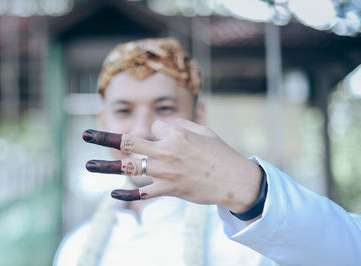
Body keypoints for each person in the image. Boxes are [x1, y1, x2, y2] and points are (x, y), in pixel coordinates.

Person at [54, 38, 361, 266]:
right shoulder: (75, 249)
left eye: (164, 108)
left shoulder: (250, 232)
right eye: (123, 111)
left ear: (198, 117)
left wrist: (250, 191)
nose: (142, 130)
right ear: (102, 122)